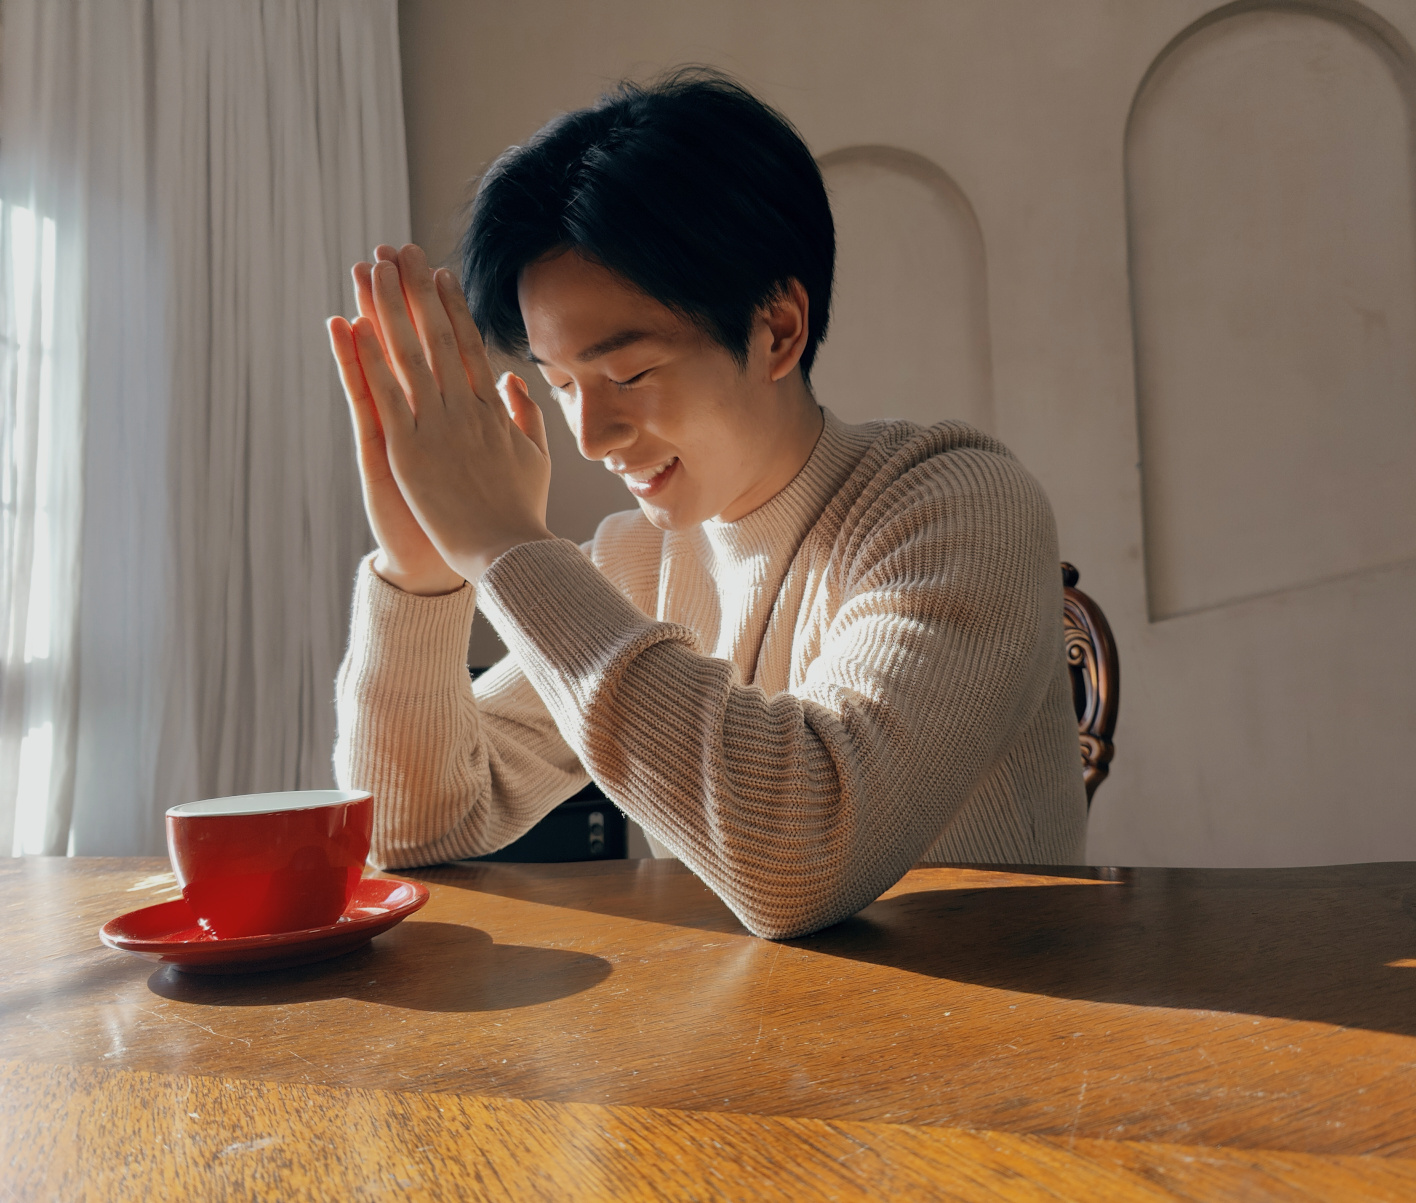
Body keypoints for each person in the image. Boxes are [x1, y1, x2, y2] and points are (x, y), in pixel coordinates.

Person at [326, 69, 1086, 940]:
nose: (591, 436)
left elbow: (804, 856)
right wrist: (420, 576)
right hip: (743, 1055)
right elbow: (411, 830)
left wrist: (506, 550)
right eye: (561, 383)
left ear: (777, 330)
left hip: (1004, 1050)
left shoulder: (961, 506)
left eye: (628, 373)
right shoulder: (635, 561)